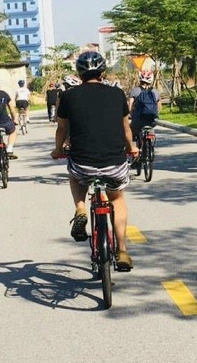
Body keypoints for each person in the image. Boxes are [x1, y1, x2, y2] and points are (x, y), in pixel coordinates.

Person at [51, 50, 139, 271]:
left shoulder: (68, 96)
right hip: (114, 163)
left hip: (83, 164)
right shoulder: (117, 94)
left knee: (75, 175)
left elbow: (62, 129)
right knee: (117, 199)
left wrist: (57, 150)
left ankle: (80, 208)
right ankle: (122, 251)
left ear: (79, 74)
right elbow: (126, 128)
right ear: (103, 72)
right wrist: (132, 148)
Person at [127, 70, 161, 173]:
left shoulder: (135, 91)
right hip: (152, 121)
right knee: (150, 131)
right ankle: (150, 148)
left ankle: (134, 154)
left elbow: (130, 106)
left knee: (132, 133)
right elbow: (159, 107)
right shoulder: (156, 92)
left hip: (138, 121)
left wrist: (131, 115)